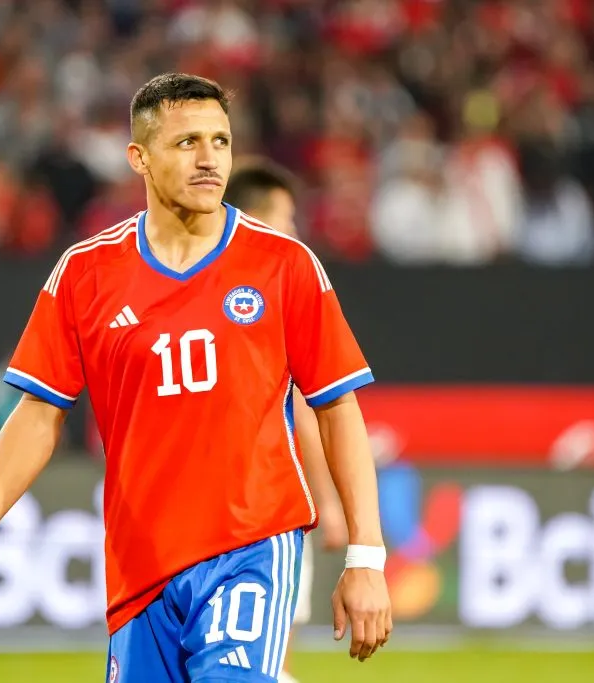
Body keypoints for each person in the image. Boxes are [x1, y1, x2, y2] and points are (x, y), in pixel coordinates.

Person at [0, 73, 391, 682]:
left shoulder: (284, 265)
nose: (210, 160)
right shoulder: (85, 274)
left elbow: (337, 410)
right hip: (141, 568)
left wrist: (366, 555)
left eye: (221, 141)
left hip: (251, 543)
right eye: (187, 143)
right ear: (139, 159)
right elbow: (39, 415)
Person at [224, 159, 349, 683]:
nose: (295, 232)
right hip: (267, 510)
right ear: (256, 218)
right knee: (268, 665)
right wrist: (327, 500)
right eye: (287, 218)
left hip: (226, 511)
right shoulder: (274, 294)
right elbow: (308, 404)